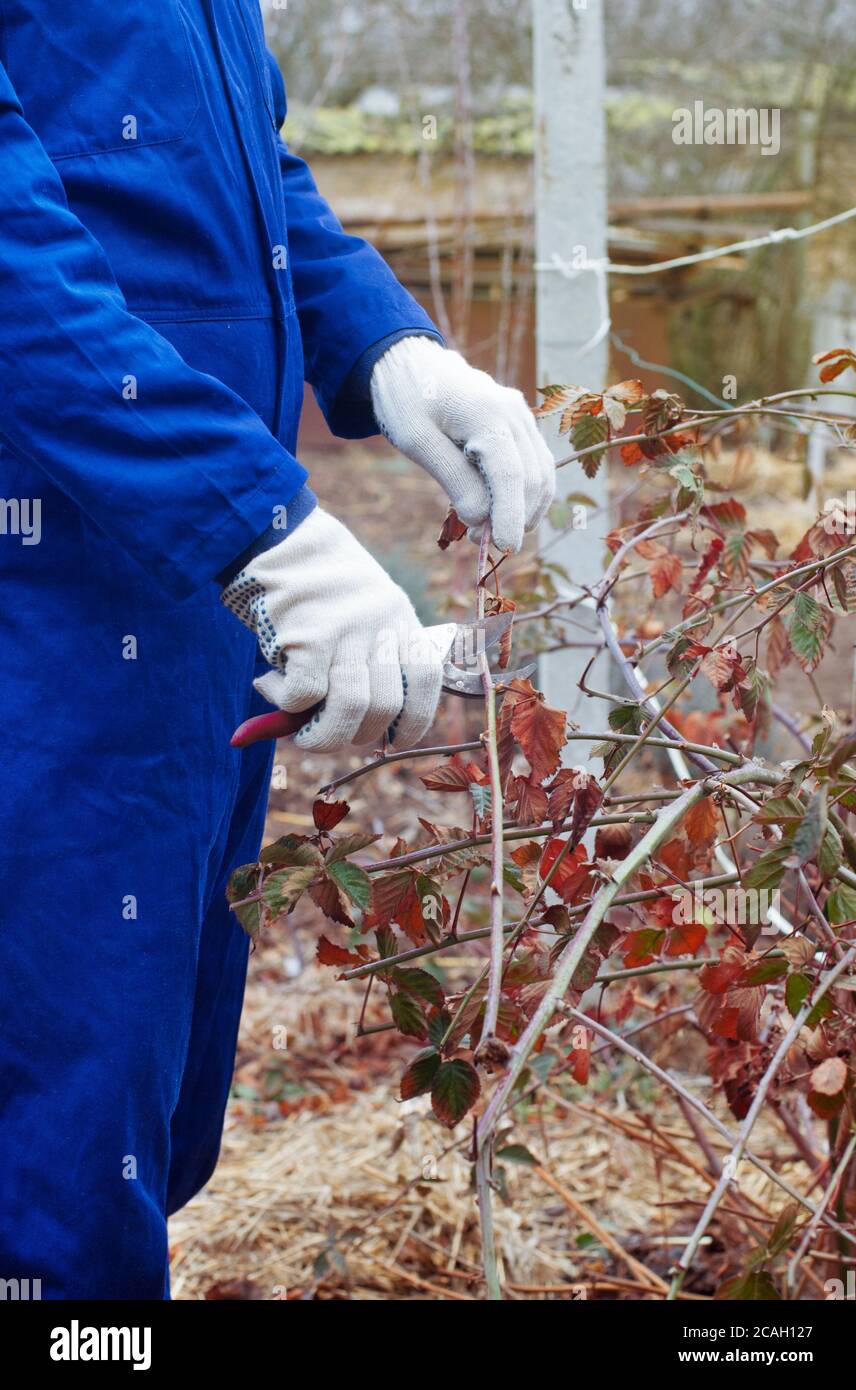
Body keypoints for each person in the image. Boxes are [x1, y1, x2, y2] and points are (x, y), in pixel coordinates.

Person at [0, 1, 554, 1299]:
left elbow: (235, 173)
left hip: (186, 610)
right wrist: (253, 518)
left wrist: (386, 344)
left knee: (148, 1136)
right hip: (46, 604)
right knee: (52, 1192)